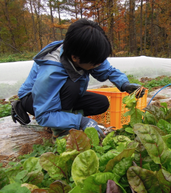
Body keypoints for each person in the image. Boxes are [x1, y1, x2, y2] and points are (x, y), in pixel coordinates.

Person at [11, 18, 144, 139]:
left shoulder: (85, 50)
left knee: (101, 103)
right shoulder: (51, 73)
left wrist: (125, 84)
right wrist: (81, 121)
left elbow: (107, 70)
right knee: (72, 85)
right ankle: (59, 129)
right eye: (95, 63)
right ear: (75, 57)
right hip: (34, 99)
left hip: (64, 95)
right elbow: (44, 115)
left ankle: (64, 119)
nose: (98, 65)